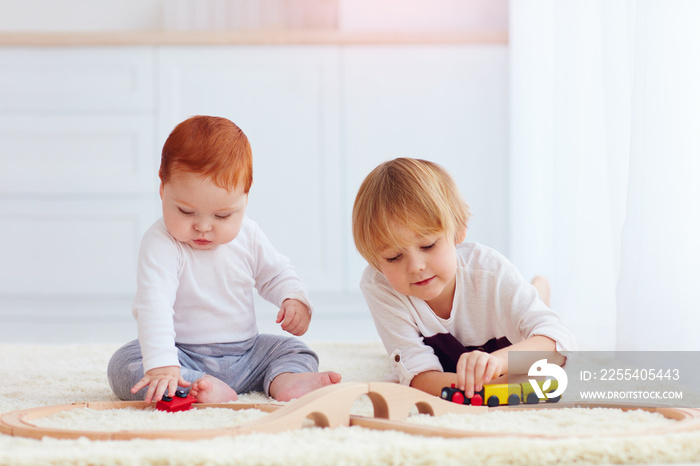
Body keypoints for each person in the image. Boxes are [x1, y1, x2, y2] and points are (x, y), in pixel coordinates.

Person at [108, 115, 341, 404]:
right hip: (183, 355)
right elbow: (153, 305)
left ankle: (285, 381)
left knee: (296, 350)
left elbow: (276, 274)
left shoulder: (249, 234)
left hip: (247, 354)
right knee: (125, 364)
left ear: (245, 197)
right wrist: (164, 365)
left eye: (222, 216)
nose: (204, 227)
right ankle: (198, 385)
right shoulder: (161, 243)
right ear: (162, 188)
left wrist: (293, 298)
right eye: (186, 211)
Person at [352, 158, 576, 398]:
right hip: (453, 360)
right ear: (376, 261)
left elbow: (560, 344)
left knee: (533, 308)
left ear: (458, 230)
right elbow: (418, 377)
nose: (416, 267)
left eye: (428, 245)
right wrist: (490, 388)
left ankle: (538, 290)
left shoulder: (491, 272)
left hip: (505, 341)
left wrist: (497, 364)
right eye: (394, 257)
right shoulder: (379, 284)